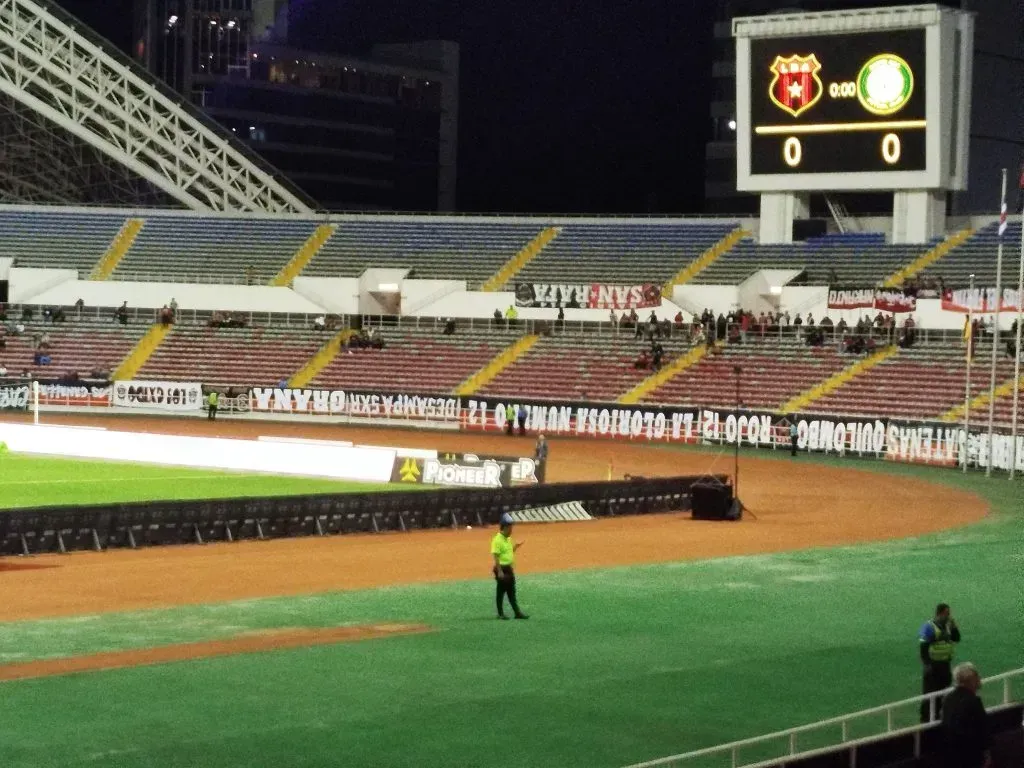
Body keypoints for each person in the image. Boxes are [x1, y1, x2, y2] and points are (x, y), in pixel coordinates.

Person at [941, 662, 990, 768]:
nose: (979, 679)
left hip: (950, 754)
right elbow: (982, 729)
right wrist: (986, 754)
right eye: (977, 676)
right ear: (970, 681)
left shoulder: (948, 699)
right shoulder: (973, 701)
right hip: (970, 756)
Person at [920, 602, 962, 722]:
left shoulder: (948, 626)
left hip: (945, 665)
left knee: (944, 692)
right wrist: (927, 664)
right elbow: (923, 648)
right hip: (933, 666)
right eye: (947, 613)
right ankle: (926, 719)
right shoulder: (929, 627)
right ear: (940, 613)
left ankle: (939, 716)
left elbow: (957, 638)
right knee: (930, 694)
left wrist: (954, 627)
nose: (949, 616)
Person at [491, 513, 528, 620]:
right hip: (502, 568)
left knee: (512, 592)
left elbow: (508, 552)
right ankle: (500, 614)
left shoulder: (508, 539)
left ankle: (517, 613)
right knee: (501, 592)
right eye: (510, 527)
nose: (512, 530)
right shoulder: (497, 540)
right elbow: (496, 556)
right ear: (505, 527)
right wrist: (499, 572)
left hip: (509, 568)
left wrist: (515, 547)